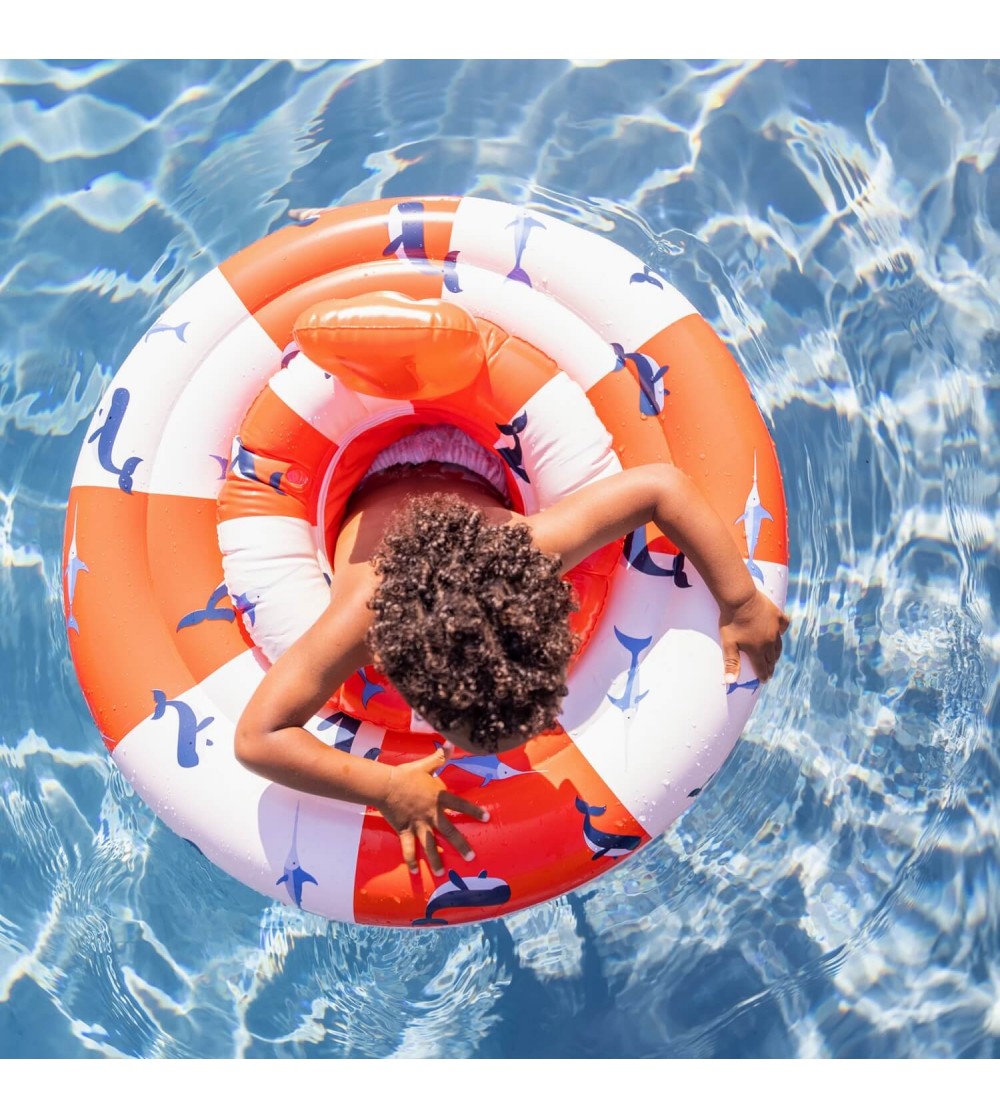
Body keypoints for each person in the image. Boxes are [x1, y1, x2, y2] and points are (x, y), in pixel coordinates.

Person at [234, 424, 789, 878]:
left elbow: (663, 487)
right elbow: (255, 739)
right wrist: (382, 785)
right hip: (362, 470)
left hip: (467, 453)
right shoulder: (363, 616)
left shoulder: (527, 550)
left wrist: (741, 603)